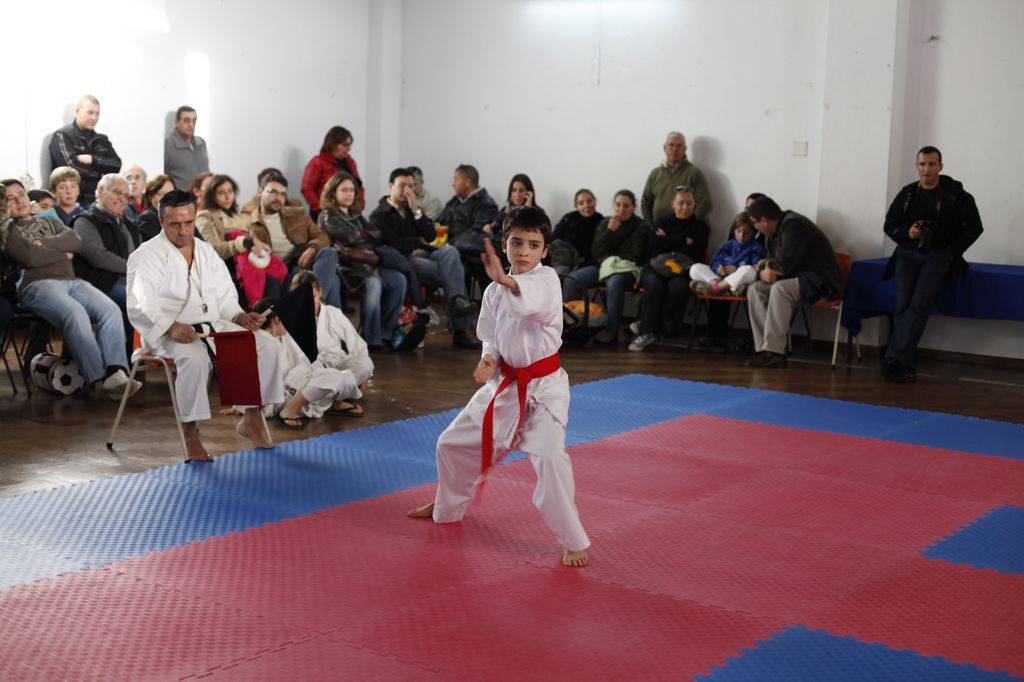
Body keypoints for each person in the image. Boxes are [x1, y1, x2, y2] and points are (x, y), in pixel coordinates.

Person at [407, 206, 590, 568]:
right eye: (516, 242)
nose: (524, 251)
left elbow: (529, 302)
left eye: (533, 245)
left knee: (550, 459)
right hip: (504, 385)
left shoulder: (547, 280)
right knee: (449, 443)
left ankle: (571, 539)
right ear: (504, 244)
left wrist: (507, 282)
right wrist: (489, 359)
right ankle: (448, 503)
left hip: (543, 391)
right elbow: (489, 336)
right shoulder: (493, 291)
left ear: (545, 250)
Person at [126, 189, 284, 461]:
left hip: (212, 326)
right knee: (196, 358)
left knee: (267, 345)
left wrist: (239, 317)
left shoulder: (206, 251)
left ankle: (252, 417)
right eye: (175, 224)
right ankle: (190, 434)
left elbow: (224, 297)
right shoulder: (146, 256)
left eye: (189, 222)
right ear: (161, 222)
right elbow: (141, 304)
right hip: (166, 332)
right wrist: (171, 325)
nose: (183, 231)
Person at [2, 178, 138, 397]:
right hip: (37, 284)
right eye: (11, 198)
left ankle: (116, 372)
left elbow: (75, 241)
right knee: (75, 313)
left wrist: (44, 244)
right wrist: (62, 253)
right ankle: (99, 378)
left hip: (71, 280)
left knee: (110, 309)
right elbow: (30, 257)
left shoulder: (48, 220)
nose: (19, 200)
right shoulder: (8, 230)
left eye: (21, 194)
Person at [881, 146, 983, 383]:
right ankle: (902, 362)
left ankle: (894, 359)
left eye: (931, 164)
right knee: (902, 306)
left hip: (937, 256)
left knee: (919, 306)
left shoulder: (957, 196)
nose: (926, 169)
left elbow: (975, 228)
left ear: (940, 166)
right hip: (907, 254)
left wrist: (951, 251)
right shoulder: (908, 194)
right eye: (922, 164)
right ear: (917, 166)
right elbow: (889, 224)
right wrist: (908, 232)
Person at [370, 168, 481, 349]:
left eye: (411, 186)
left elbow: (430, 235)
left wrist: (415, 210)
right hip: (404, 261)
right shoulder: (379, 214)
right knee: (451, 272)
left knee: (451, 252)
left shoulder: (413, 210)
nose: (407, 190)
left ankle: (457, 300)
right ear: (390, 186)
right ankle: (462, 328)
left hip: (425, 252)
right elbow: (394, 244)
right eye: (402, 185)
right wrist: (416, 241)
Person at [745, 196, 841, 368]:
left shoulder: (794, 225)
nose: (754, 227)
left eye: (754, 223)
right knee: (755, 289)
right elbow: (770, 265)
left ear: (764, 221)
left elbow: (783, 266)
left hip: (820, 281)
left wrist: (762, 270)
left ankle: (775, 352)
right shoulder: (771, 235)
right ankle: (763, 349)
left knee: (780, 289)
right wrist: (763, 272)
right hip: (797, 279)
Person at [318, 171, 407, 349]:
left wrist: (362, 236)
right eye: (344, 190)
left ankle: (385, 333)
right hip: (346, 266)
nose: (349, 194)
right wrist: (363, 236)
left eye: (352, 190)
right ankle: (370, 338)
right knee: (374, 282)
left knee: (399, 280)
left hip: (367, 263)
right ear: (333, 192)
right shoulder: (328, 215)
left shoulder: (355, 214)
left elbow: (377, 234)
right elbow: (350, 237)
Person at [252, 296, 366, 429]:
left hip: (299, 385)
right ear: (277, 320)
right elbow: (252, 381)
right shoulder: (263, 343)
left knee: (344, 377)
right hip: (284, 395)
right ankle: (288, 412)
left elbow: (307, 361)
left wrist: (317, 373)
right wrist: (244, 407)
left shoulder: (285, 337)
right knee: (333, 378)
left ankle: (334, 402)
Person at [561, 189, 650, 346]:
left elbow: (635, 256)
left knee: (614, 282)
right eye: (618, 205)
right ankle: (573, 326)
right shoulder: (606, 223)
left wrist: (610, 256)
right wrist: (610, 231)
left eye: (626, 206)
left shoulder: (641, 226)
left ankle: (612, 331)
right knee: (572, 280)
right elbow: (596, 252)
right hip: (602, 267)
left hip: (625, 269)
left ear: (633, 207)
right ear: (613, 206)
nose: (621, 210)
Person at [628, 187, 709, 351]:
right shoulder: (661, 222)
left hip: (683, 271)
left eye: (689, 203)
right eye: (681, 203)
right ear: (673, 204)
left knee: (676, 286)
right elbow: (655, 244)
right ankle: (646, 333)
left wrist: (667, 240)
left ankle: (656, 327)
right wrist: (683, 240)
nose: (685, 207)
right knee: (654, 283)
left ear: (694, 205)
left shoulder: (701, 227)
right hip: (656, 268)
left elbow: (696, 251)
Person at [290, 271, 373, 413]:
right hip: (313, 372)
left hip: (337, 366)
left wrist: (364, 376)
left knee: (365, 364)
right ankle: (335, 402)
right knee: (305, 369)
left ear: (320, 292)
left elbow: (357, 344)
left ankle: (327, 399)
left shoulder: (333, 313)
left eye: (312, 297)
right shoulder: (290, 318)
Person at [248, 172, 337, 298]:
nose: (278, 198)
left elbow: (322, 236)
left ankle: (315, 302)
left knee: (329, 253)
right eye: (273, 192)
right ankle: (317, 304)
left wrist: (312, 248)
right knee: (334, 281)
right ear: (260, 192)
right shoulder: (249, 223)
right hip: (280, 271)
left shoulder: (298, 214)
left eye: (282, 194)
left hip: (302, 261)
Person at [197, 174, 282, 306]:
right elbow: (215, 249)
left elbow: (258, 244)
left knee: (280, 276)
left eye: (230, 191)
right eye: (221, 193)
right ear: (212, 196)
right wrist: (244, 242)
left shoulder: (242, 218)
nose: (228, 196)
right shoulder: (205, 217)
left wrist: (260, 247)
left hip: (251, 261)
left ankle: (275, 317)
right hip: (227, 264)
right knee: (270, 283)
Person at [71, 174, 140, 313]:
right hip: (102, 283)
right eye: (117, 192)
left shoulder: (130, 224)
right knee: (139, 299)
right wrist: (134, 268)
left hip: (130, 279)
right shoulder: (84, 221)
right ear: (101, 190)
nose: (122, 199)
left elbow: (140, 253)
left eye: (126, 196)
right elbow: (99, 257)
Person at [48, 95, 122, 206]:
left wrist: (93, 159)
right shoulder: (62, 135)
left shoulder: (102, 139)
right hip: (73, 201)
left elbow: (117, 165)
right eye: (90, 112)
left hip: (100, 200)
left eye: (97, 113)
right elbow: (71, 167)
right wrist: (100, 175)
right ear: (78, 111)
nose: (94, 118)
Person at [641, 131, 712, 224]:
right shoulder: (655, 174)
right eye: (671, 145)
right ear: (664, 148)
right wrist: (652, 226)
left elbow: (705, 203)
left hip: (688, 229)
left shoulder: (694, 173)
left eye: (679, 146)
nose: (675, 149)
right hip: (660, 228)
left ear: (685, 149)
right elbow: (646, 202)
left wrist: (688, 225)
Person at [689, 211, 766, 295]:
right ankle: (726, 289)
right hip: (721, 278)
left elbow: (755, 268)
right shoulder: (725, 245)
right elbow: (714, 263)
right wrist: (719, 269)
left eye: (746, 233)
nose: (741, 236)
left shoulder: (757, 248)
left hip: (740, 278)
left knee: (748, 270)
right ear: (734, 230)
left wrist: (736, 269)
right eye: (738, 231)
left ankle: (714, 289)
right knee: (694, 268)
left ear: (753, 232)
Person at [301, 126, 363, 219]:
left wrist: (359, 205)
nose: (349, 148)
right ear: (333, 145)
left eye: (350, 145)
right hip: (325, 216)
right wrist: (321, 209)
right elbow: (307, 189)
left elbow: (358, 185)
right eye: (345, 145)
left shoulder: (350, 162)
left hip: (348, 214)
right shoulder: (318, 162)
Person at [436, 164, 499, 252]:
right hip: (444, 248)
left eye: (456, 179)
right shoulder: (455, 201)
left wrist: (448, 245)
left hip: (464, 254)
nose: (453, 184)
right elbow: (438, 222)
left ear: (467, 182)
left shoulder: (486, 205)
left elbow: (476, 234)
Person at [550, 189, 603, 275]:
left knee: (571, 279)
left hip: (587, 263)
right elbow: (553, 239)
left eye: (589, 201)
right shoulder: (569, 218)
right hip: (563, 261)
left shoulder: (602, 221)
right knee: (558, 275)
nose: (586, 205)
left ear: (595, 202)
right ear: (576, 206)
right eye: (581, 203)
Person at [164, 106, 210, 191]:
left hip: (203, 195)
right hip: (181, 197)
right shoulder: (168, 145)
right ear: (177, 122)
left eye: (194, 121)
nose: (191, 125)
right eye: (187, 120)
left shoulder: (201, 143)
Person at [135, 174, 175, 242]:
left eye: (172, 194)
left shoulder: (179, 218)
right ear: (151, 196)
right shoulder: (146, 219)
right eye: (162, 194)